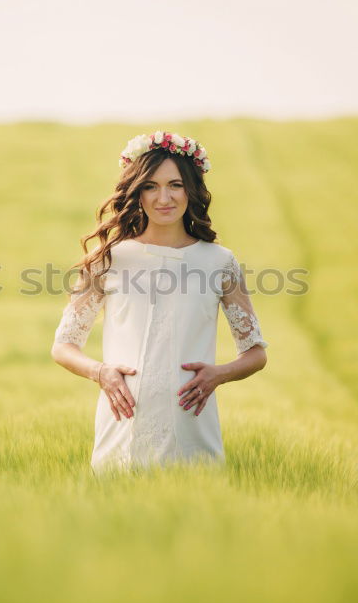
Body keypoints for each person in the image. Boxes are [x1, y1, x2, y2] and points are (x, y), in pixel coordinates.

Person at [50, 131, 268, 474]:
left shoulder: (219, 262)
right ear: (136, 191)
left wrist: (218, 375)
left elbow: (256, 353)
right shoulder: (107, 259)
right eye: (150, 186)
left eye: (175, 185)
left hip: (193, 424)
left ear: (191, 189)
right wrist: (101, 373)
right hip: (123, 423)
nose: (163, 197)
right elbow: (63, 346)